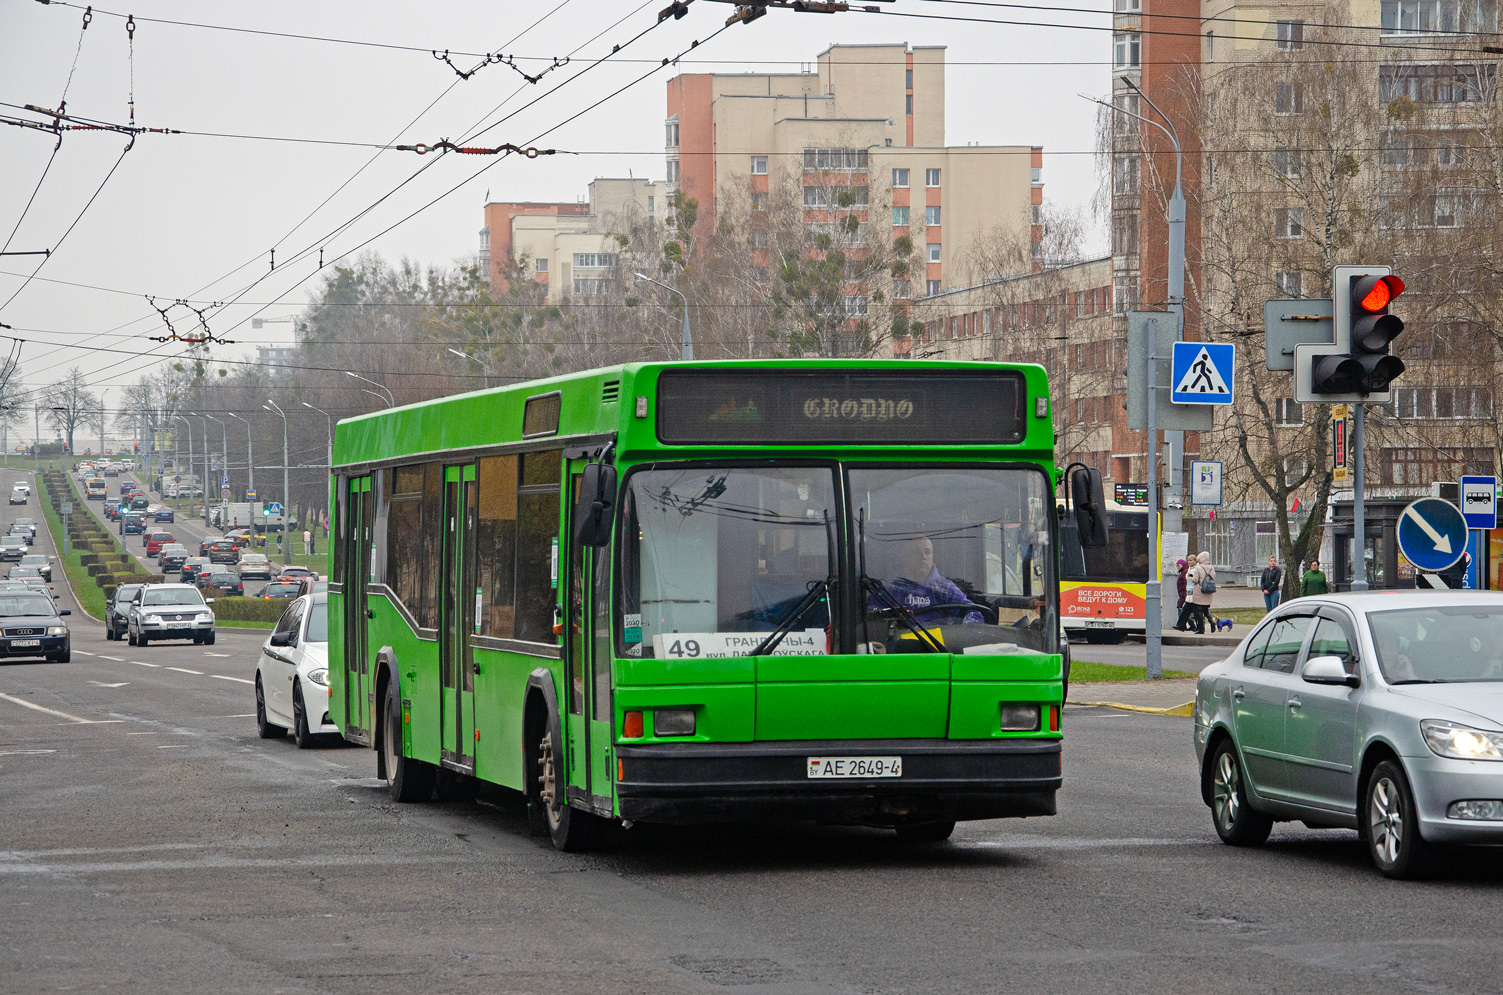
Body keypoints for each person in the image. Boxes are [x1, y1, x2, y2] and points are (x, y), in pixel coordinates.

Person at [875, 536, 982, 624]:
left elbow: (972, 612)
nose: (923, 557)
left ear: (932, 556)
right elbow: (872, 619)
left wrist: (968, 626)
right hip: (899, 648)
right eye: (916, 552)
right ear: (903, 557)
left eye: (927, 552)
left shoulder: (945, 588)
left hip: (937, 648)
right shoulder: (889, 590)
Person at [1185, 550, 1215, 635]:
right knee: (1205, 609)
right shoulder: (1211, 567)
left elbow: (1194, 580)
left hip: (1199, 591)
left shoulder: (1198, 568)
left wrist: (1189, 578)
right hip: (1208, 590)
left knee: (1198, 611)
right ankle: (1211, 621)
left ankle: (1201, 628)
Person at [1172, 558, 1192, 631]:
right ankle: (1186, 624)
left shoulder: (1185, 572)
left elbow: (1186, 582)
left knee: (1182, 607)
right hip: (1182, 593)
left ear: (1182, 565)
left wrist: (1184, 591)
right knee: (1184, 608)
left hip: (1184, 593)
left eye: (1178, 565)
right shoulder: (1183, 572)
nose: (1177, 567)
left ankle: (1184, 624)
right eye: (1176, 565)